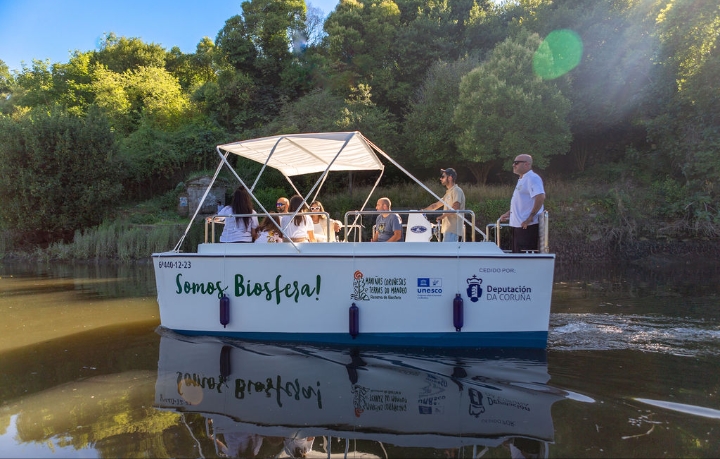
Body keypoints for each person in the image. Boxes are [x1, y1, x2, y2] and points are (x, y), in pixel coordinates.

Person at [499, 154, 545, 253]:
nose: (513, 165)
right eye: (513, 163)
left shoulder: (533, 178)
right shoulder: (522, 179)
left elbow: (540, 197)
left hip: (527, 226)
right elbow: (522, 202)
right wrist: (509, 213)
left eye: (516, 163)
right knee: (517, 255)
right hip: (518, 225)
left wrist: (530, 217)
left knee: (525, 256)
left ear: (526, 164)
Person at [423, 168, 466, 242]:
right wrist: (422, 211)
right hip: (447, 230)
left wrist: (442, 216)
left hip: (453, 230)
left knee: (448, 249)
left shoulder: (456, 190)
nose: (441, 179)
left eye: (443, 177)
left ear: (450, 178)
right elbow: (435, 206)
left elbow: (456, 207)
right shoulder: (448, 193)